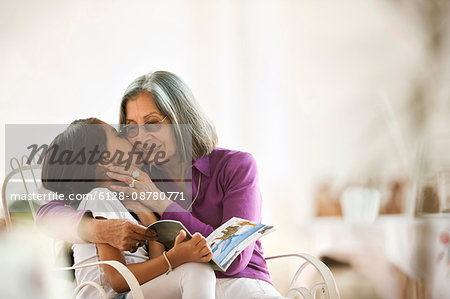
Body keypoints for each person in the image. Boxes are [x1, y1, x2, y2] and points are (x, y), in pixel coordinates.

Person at [36, 71, 285, 298]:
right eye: (130, 128)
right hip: (176, 287)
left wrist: (160, 202)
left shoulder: (236, 165)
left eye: (153, 123)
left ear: (181, 120)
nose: (140, 138)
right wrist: (98, 229)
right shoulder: (128, 177)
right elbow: (45, 214)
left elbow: (233, 257)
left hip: (240, 284)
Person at [41, 118, 215, 299]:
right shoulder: (99, 198)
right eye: (116, 134)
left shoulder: (127, 201)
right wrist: (175, 258)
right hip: (112, 295)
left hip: (134, 292)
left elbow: (155, 268)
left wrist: (149, 218)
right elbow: (118, 280)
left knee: (196, 270)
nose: (126, 137)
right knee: (195, 271)